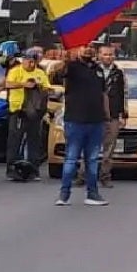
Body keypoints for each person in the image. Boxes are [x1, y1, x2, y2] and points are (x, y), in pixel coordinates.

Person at [54, 45, 110, 206]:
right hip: (75, 121)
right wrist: (65, 59)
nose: (88, 50)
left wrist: (107, 115)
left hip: (96, 121)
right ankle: (64, 195)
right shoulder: (72, 67)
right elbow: (59, 74)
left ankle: (92, 194)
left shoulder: (98, 70)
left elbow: (103, 94)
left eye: (91, 47)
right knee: (71, 158)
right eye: (85, 47)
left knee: (92, 160)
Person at [3, 48, 51, 180]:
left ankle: (33, 170)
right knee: (14, 140)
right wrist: (24, 84)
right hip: (18, 110)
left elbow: (47, 88)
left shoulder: (40, 72)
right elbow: (7, 83)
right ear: (23, 60)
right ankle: (11, 169)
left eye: (33, 62)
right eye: (28, 61)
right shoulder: (15, 71)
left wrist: (39, 86)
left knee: (34, 140)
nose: (30, 64)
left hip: (34, 111)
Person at [93, 43, 127, 189]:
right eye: (105, 54)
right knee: (90, 147)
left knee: (109, 148)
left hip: (113, 114)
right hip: (94, 114)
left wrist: (124, 115)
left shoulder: (119, 73)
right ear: (99, 55)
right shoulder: (92, 70)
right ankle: (83, 175)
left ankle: (105, 176)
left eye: (111, 54)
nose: (108, 57)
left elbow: (124, 94)